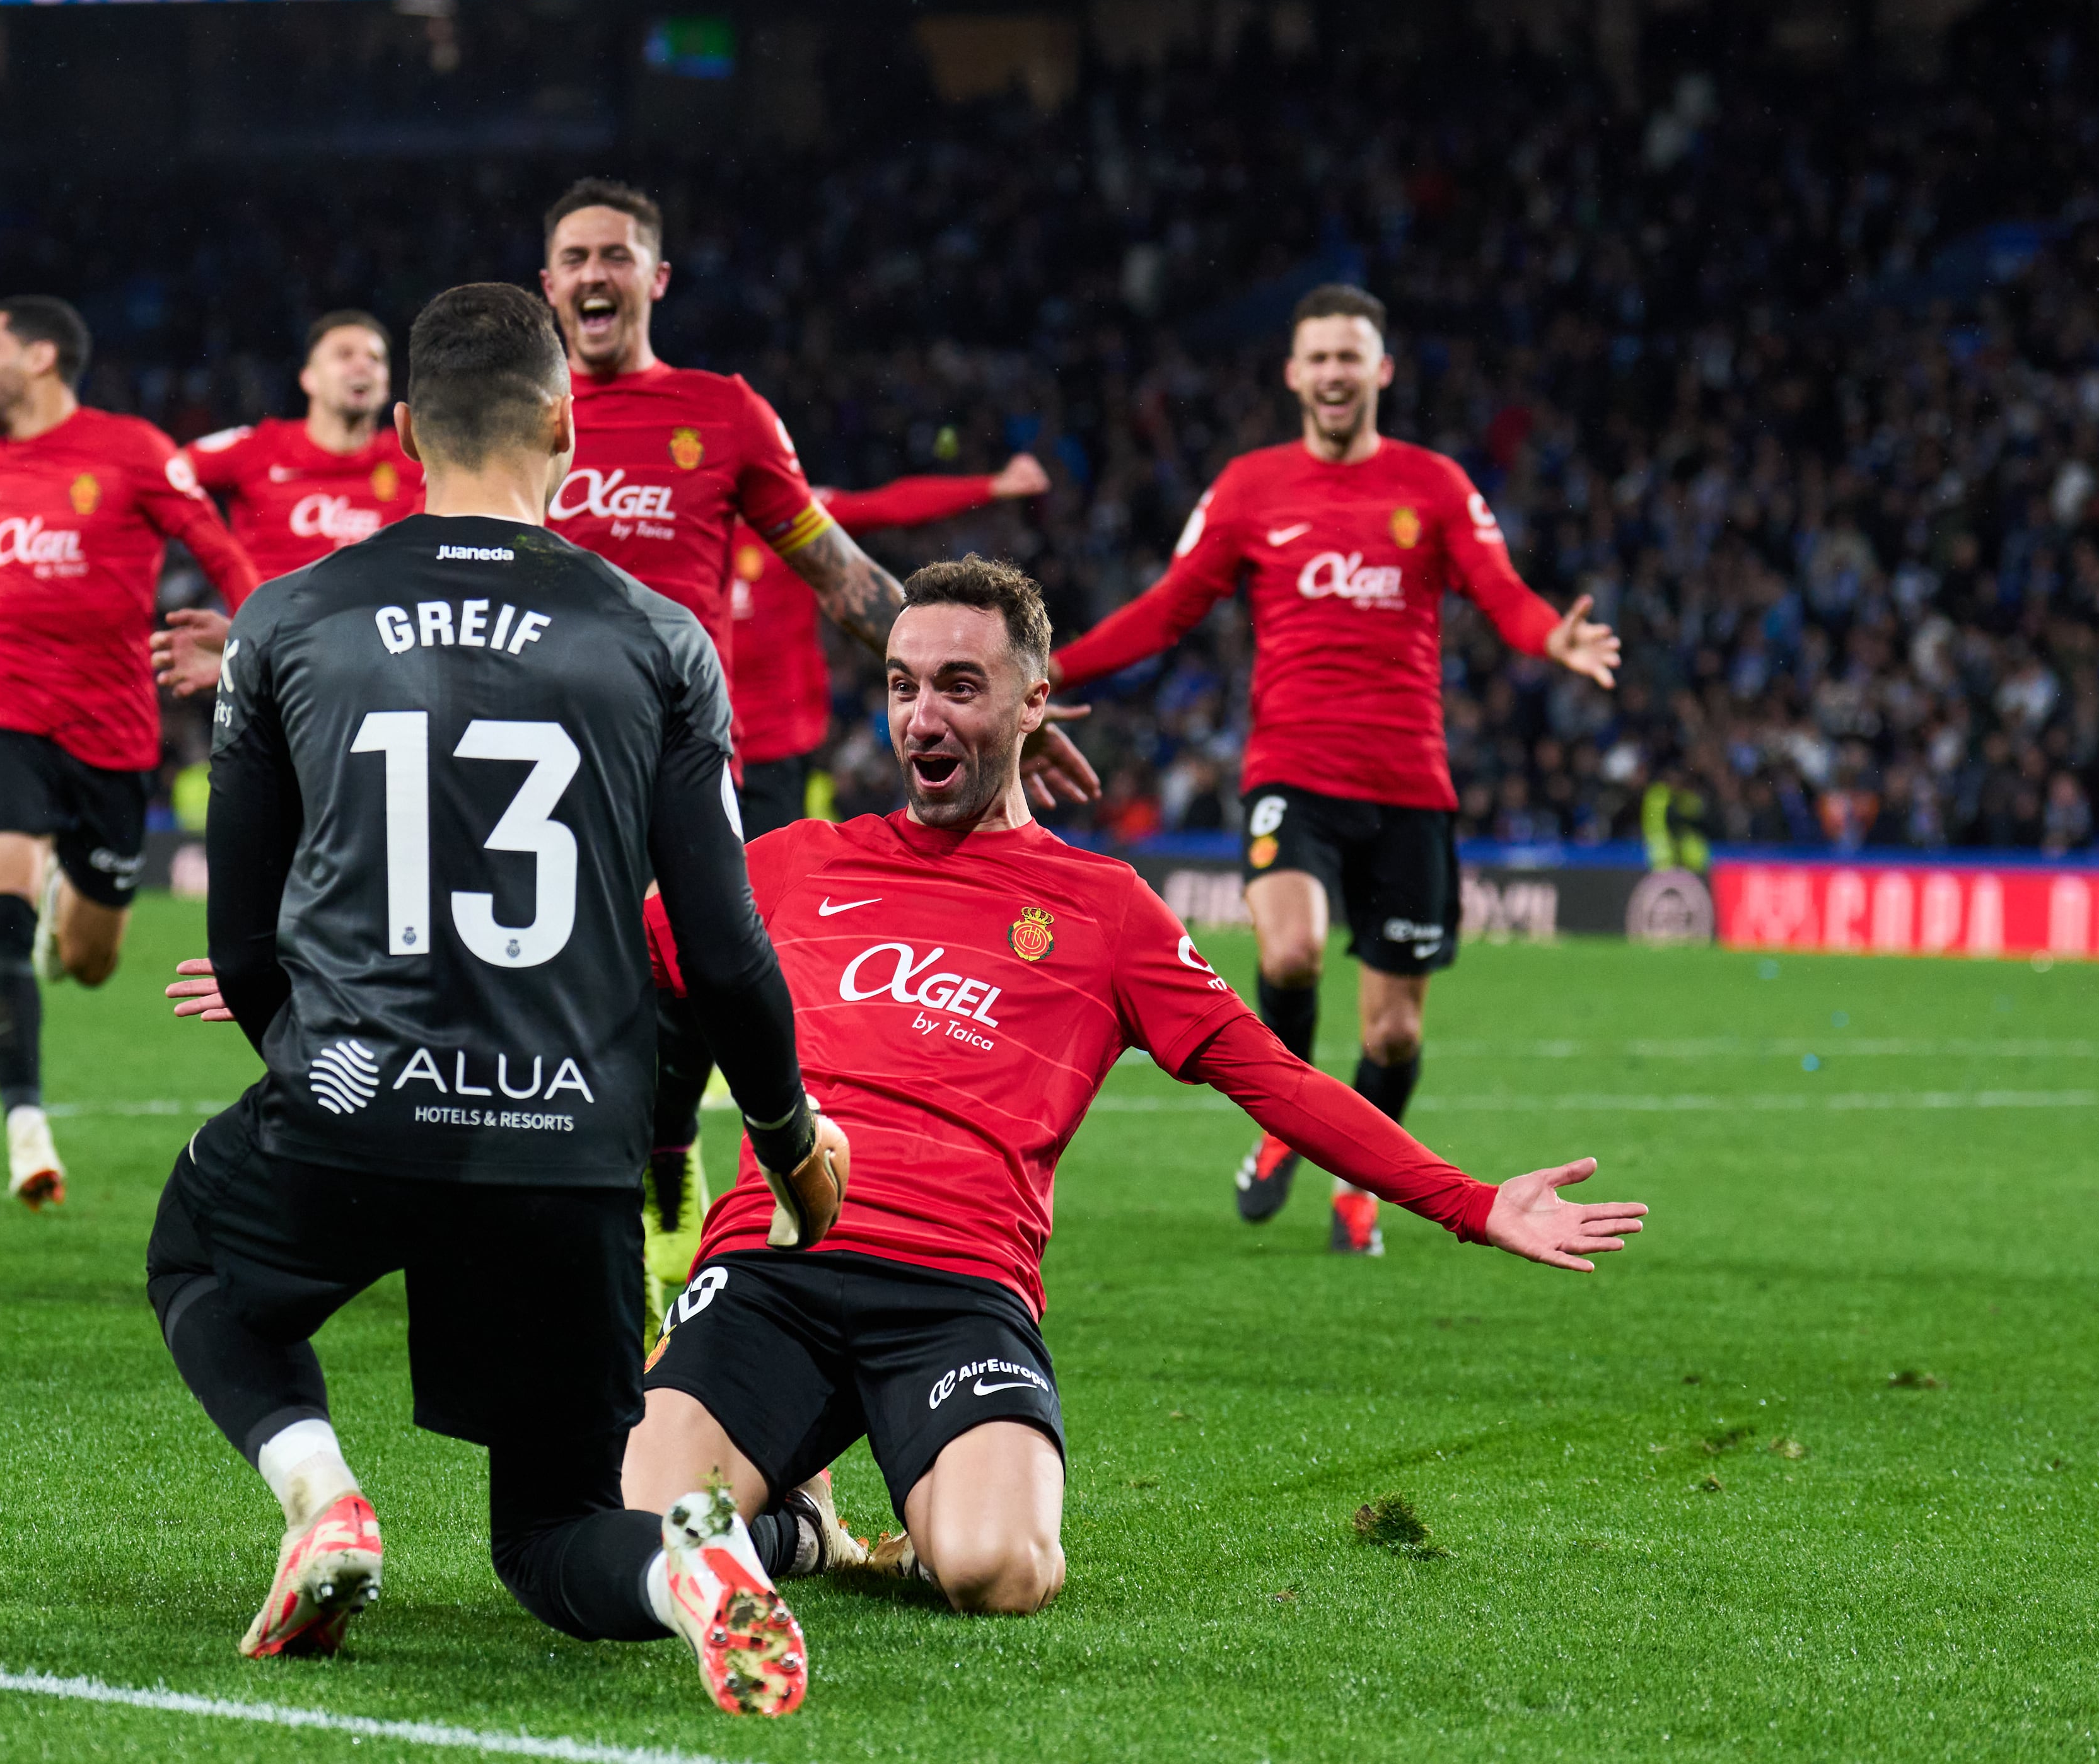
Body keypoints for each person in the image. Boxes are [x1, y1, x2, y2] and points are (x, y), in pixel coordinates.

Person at [631, 557, 1646, 1611]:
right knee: (642, 1534)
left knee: (999, 1569)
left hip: (956, 1291)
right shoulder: (795, 862)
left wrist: (1473, 1203)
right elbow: (619, 959)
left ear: (1035, 702)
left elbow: (1277, 1080)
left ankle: (875, 1526)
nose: (922, 716)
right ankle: (798, 1522)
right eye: (902, 685)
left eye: (960, 687)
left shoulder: (1104, 910)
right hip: (772, 1263)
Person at [144, 282, 851, 1714]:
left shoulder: (288, 618)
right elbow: (721, 952)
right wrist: (787, 1137)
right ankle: (695, 1570)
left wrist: (317, 1056)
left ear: (403, 431)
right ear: (565, 424)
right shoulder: (657, 638)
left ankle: (324, 1502)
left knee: (200, 1266)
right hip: (564, 1138)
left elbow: (237, 938)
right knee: (550, 1532)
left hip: (349, 1111)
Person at [530, 177, 1103, 1304]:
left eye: (616, 254)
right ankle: (579, 1214)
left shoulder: (726, 414)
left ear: (656, 278)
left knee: (686, 995)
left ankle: (660, 1182)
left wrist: (984, 701)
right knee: (547, 1010)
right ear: (547, 283)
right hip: (529, 767)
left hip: (679, 765)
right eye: (574, 257)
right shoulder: (510, 416)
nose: (595, 274)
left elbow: (846, 580)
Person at [1047, 284, 1622, 1255]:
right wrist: (1052, 667)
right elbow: (1169, 608)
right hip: (1292, 771)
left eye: (1351, 356)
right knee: (1290, 953)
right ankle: (1285, 1123)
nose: (1334, 374)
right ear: (1293, 372)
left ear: (1382, 370)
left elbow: (1503, 593)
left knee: (1393, 1036)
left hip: (1408, 788)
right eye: (1317, 357)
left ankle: (1360, 1187)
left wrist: (1548, 640)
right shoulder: (1248, 489)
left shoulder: (1434, 486)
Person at [0, 298, 260, 1208]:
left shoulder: (134, 451)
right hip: (2, 717)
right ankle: (25, 1125)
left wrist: (265, 638)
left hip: (115, 740)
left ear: (39, 357)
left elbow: (223, 552)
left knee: (89, 961)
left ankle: (58, 918)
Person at [726, 455, 1050, 839]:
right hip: (702, 740)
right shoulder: (682, 531)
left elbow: (889, 504)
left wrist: (992, 486)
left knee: (766, 878)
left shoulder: (797, 516)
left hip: (778, 746)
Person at [173, 310, 424, 578]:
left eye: (375, 359)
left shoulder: (417, 458)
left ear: (386, 385)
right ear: (308, 378)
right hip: (271, 620)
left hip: (375, 619)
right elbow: (162, 474)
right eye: (344, 354)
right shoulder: (258, 447)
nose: (362, 365)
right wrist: (217, 553)